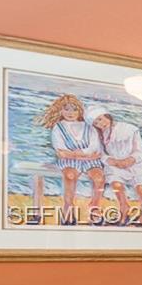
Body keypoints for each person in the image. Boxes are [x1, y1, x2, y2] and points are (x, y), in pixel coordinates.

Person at [35, 94, 103, 224]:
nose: (70, 113)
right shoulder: (58, 127)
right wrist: (84, 155)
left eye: (74, 109)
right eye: (66, 109)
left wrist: (82, 154)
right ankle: (68, 207)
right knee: (70, 175)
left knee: (99, 177)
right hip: (71, 161)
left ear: (80, 111)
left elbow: (95, 148)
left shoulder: (89, 126)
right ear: (61, 110)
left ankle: (94, 207)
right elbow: (61, 152)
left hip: (90, 161)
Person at [86, 105, 142, 223]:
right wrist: (111, 161)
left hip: (135, 163)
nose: (100, 124)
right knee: (116, 184)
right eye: (96, 123)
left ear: (107, 116)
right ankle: (124, 207)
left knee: (140, 187)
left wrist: (130, 160)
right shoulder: (100, 135)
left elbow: (139, 151)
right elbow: (101, 153)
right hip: (115, 164)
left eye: (100, 119)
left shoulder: (130, 129)